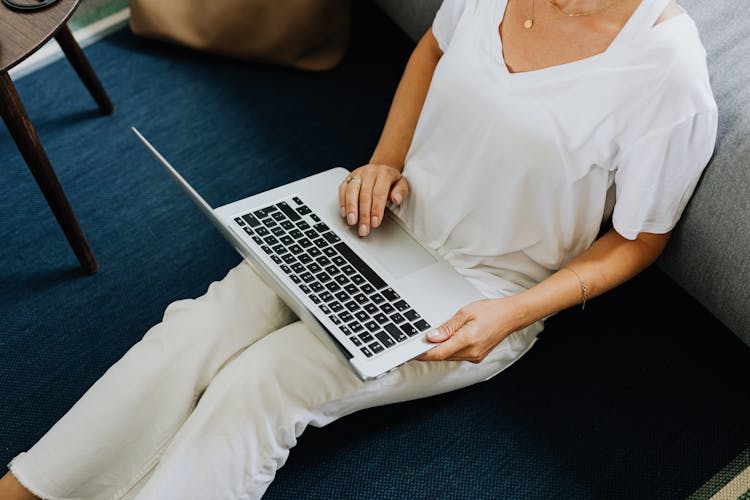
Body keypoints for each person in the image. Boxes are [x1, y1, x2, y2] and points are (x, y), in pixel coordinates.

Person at [0, 0, 717, 498]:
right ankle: (26, 487)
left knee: (266, 382)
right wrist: (383, 162)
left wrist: (513, 313)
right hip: (377, 226)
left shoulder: (666, 76)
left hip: (479, 295)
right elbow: (432, 50)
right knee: (203, 325)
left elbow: (637, 240)